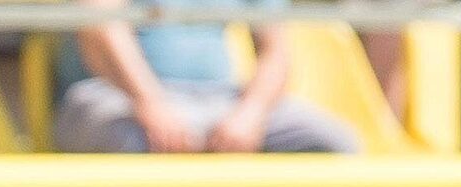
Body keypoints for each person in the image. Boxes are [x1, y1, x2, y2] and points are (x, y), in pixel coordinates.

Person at [54, 12, 358, 154]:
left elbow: (276, 54)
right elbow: (100, 27)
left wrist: (250, 115)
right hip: (115, 99)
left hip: (221, 105)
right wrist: (151, 105)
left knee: (334, 142)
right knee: (133, 145)